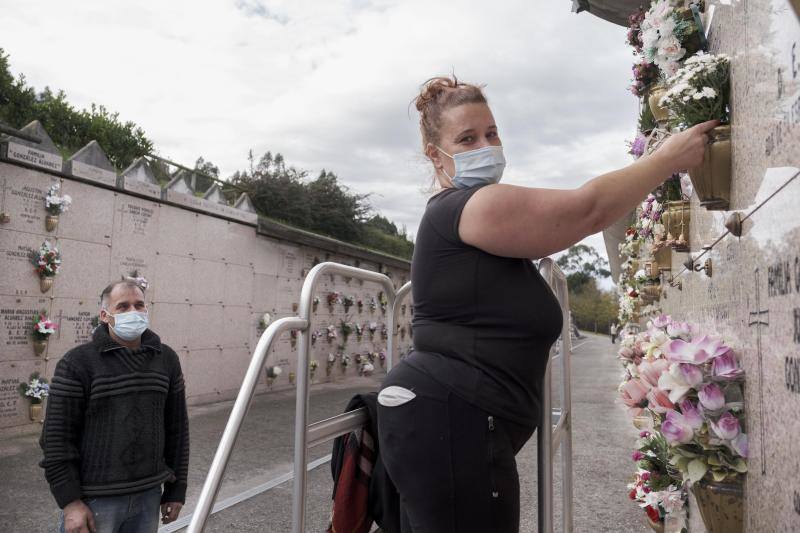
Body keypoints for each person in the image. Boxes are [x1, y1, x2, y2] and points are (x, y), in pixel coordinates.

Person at [376, 75, 717, 533]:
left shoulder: (477, 220)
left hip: (462, 425)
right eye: (467, 138)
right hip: (449, 422)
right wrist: (666, 160)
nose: (487, 145)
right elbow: (586, 211)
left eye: (491, 133)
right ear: (437, 157)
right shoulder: (465, 207)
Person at [40, 279, 189, 533]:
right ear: (105, 315)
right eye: (123, 306)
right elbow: (56, 438)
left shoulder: (167, 360)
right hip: (96, 500)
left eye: (139, 305)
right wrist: (70, 502)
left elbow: (177, 429)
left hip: (148, 496)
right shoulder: (77, 363)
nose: (134, 312)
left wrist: (177, 490)